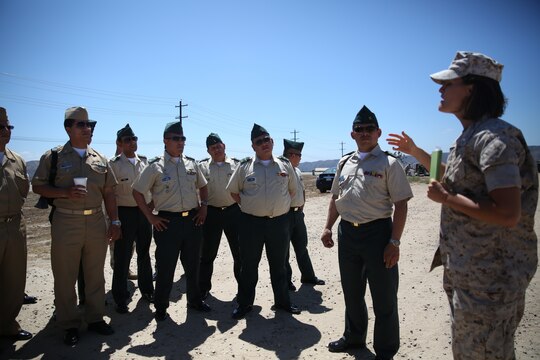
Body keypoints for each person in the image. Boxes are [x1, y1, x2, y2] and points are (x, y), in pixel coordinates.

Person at [387, 51, 538, 360]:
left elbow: (508, 213)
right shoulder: (470, 137)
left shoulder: (495, 138)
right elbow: (453, 177)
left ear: (472, 88)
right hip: (471, 275)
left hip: (491, 282)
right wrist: (416, 151)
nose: (440, 90)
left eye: (448, 83)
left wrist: (447, 199)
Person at [321, 105, 412, 360]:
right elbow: (335, 197)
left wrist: (394, 241)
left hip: (378, 235)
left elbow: (401, 204)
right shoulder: (344, 163)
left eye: (369, 129)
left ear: (378, 132)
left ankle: (384, 352)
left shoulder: (390, 164)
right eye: (359, 129)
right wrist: (328, 226)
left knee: (384, 299)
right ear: (352, 134)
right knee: (352, 292)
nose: (364, 133)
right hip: (347, 234)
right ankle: (354, 338)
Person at [32, 106, 121, 346]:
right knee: (65, 274)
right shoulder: (54, 157)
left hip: (95, 221)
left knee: (95, 273)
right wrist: (64, 192)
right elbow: (38, 186)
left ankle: (95, 318)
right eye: (81, 124)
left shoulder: (100, 159)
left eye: (90, 124)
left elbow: (109, 192)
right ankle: (69, 323)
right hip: (65, 219)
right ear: (68, 128)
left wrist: (114, 220)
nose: (87, 128)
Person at [132, 121, 210, 322]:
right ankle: (161, 307)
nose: (180, 142)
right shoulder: (155, 166)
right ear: (165, 140)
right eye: (176, 138)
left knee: (193, 266)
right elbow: (137, 192)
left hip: (192, 221)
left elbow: (203, 186)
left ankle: (195, 301)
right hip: (167, 223)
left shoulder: (192, 163)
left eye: (183, 138)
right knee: (166, 267)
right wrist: (150, 217)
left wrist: (204, 207)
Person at [226, 123, 300, 319]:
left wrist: (279, 206)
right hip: (251, 224)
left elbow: (292, 190)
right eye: (259, 142)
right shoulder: (244, 166)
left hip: (279, 223)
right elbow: (234, 191)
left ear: (272, 141)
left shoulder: (285, 165)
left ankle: (283, 302)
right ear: (253, 146)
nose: (263, 144)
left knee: (280, 265)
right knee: (248, 265)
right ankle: (245, 304)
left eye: (266, 139)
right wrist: (250, 206)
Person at [109, 124, 154, 314]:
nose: (132, 142)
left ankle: (147, 291)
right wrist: (114, 221)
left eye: (134, 139)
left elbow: (153, 187)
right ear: (119, 143)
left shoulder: (145, 162)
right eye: (127, 140)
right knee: (122, 256)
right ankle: (120, 297)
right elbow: (110, 193)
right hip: (124, 213)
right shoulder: (114, 164)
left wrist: (150, 207)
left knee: (144, 253)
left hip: (143, 213)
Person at [0, 107, 33, 341]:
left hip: (15, 226)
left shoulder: (17, 160)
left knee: (13, 280)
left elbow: (23, 192)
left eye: (8, 127)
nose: (5, 131)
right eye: (0, 127)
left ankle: (7, 325)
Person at [198, 133, 242, 300]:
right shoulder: (202, 167)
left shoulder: (237, 165)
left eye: (219, 146)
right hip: (211, 214)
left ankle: (243, 289)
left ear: (224, 146)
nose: (216, 149)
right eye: (212, 147)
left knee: (239, 254)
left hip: (233, 212)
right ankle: (203, 289)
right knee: (207, 254)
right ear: (208, 150)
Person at [282, 139, 324, 291]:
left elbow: (302, 190)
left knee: (302, 247)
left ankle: (308, 276)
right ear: (291, 155)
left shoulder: (298, 171)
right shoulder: (282, 170)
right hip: (285, 215)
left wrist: (302, 205)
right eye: (299, 155)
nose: (300, 158)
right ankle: (286, 281)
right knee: (284, 251)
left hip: (298, 214)